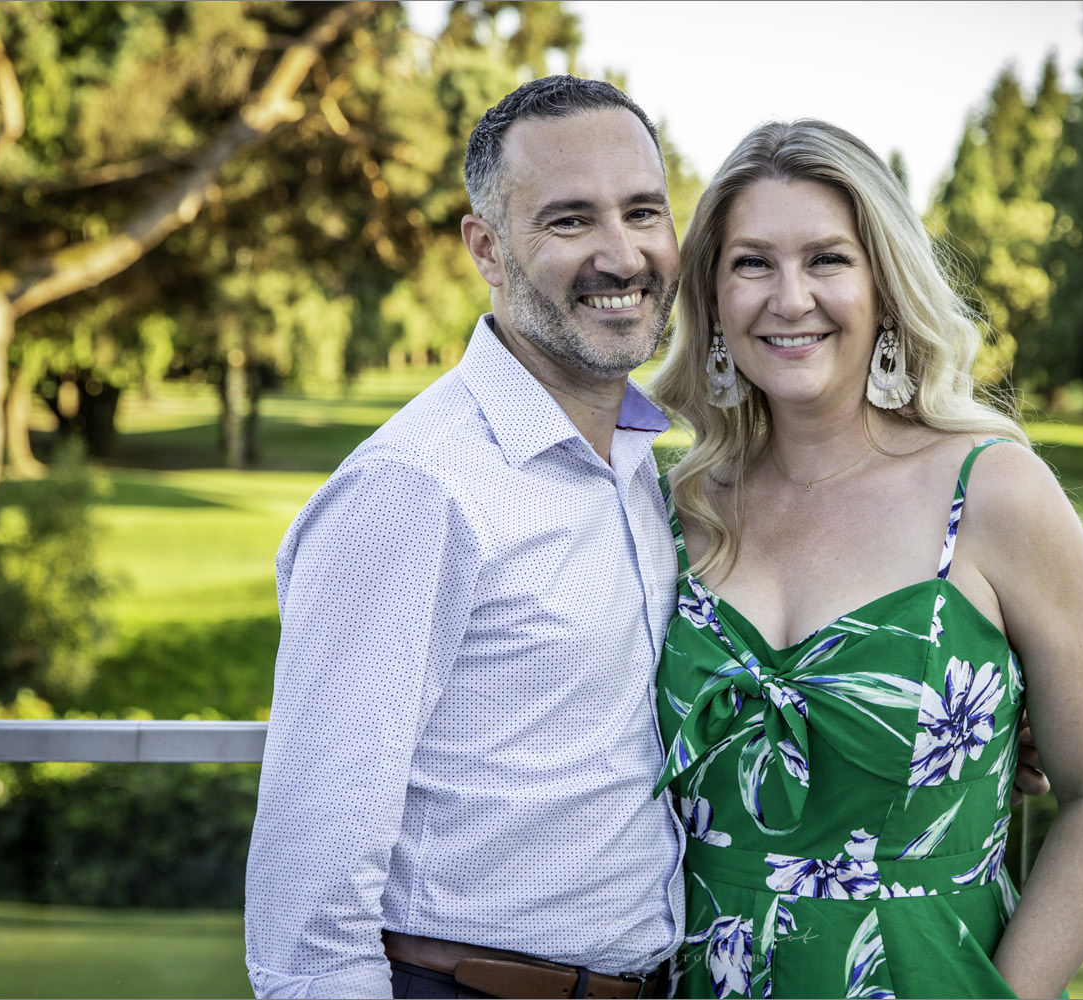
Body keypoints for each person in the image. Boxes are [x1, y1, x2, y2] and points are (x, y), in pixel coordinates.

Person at [648, 119, 1083, 999]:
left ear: (884, 286)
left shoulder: (993, 492)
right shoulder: (671, 510)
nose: (790, 298)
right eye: (752, 263)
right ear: (714, 298)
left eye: (828, 260)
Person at [243, 76, 685, 999]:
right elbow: (308, 899)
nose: (622, 255)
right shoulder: (414, 487)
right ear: (486, 247)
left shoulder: (640, 466)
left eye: (643, 211)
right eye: (570, 220)